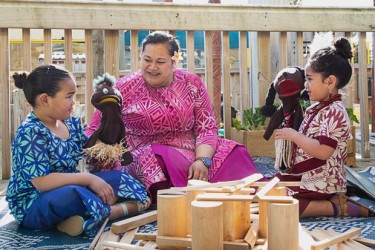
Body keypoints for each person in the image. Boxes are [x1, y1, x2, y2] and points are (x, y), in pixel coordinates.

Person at [85, 31, 260, 204]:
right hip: (145, 153)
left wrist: (202, 161)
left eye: (160, 62)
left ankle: (238, 195)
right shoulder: (122, 88)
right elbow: (94, 128)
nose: (152, 67)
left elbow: (206, 127)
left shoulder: (192, 83)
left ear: (174, 61)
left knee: (235, 152)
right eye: (147, 60)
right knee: (158, 159)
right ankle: (187, 200)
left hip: (192, 149)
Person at [6, 65, 149, 237]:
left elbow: (88, 152)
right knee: (73, 194)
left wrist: (108, 130)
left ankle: (82, 217)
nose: (74, 102)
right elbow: (42, 182)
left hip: (74, 186)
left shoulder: (71, 123)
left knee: (119, 177)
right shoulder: (31, 132)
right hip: (35, 203)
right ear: (45, 99)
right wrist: (89, 179)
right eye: (69, 96)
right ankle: (114, 211)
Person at [274, 37, 373, 217]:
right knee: (268, 189)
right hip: (307, 176)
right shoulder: (317, 108)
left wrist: (294, 136)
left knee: (282, 205)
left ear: (330, 82)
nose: (306, 85)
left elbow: (323, 151)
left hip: (323, 182)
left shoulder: (335, 112)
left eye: (310, 79)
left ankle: (338, 207)